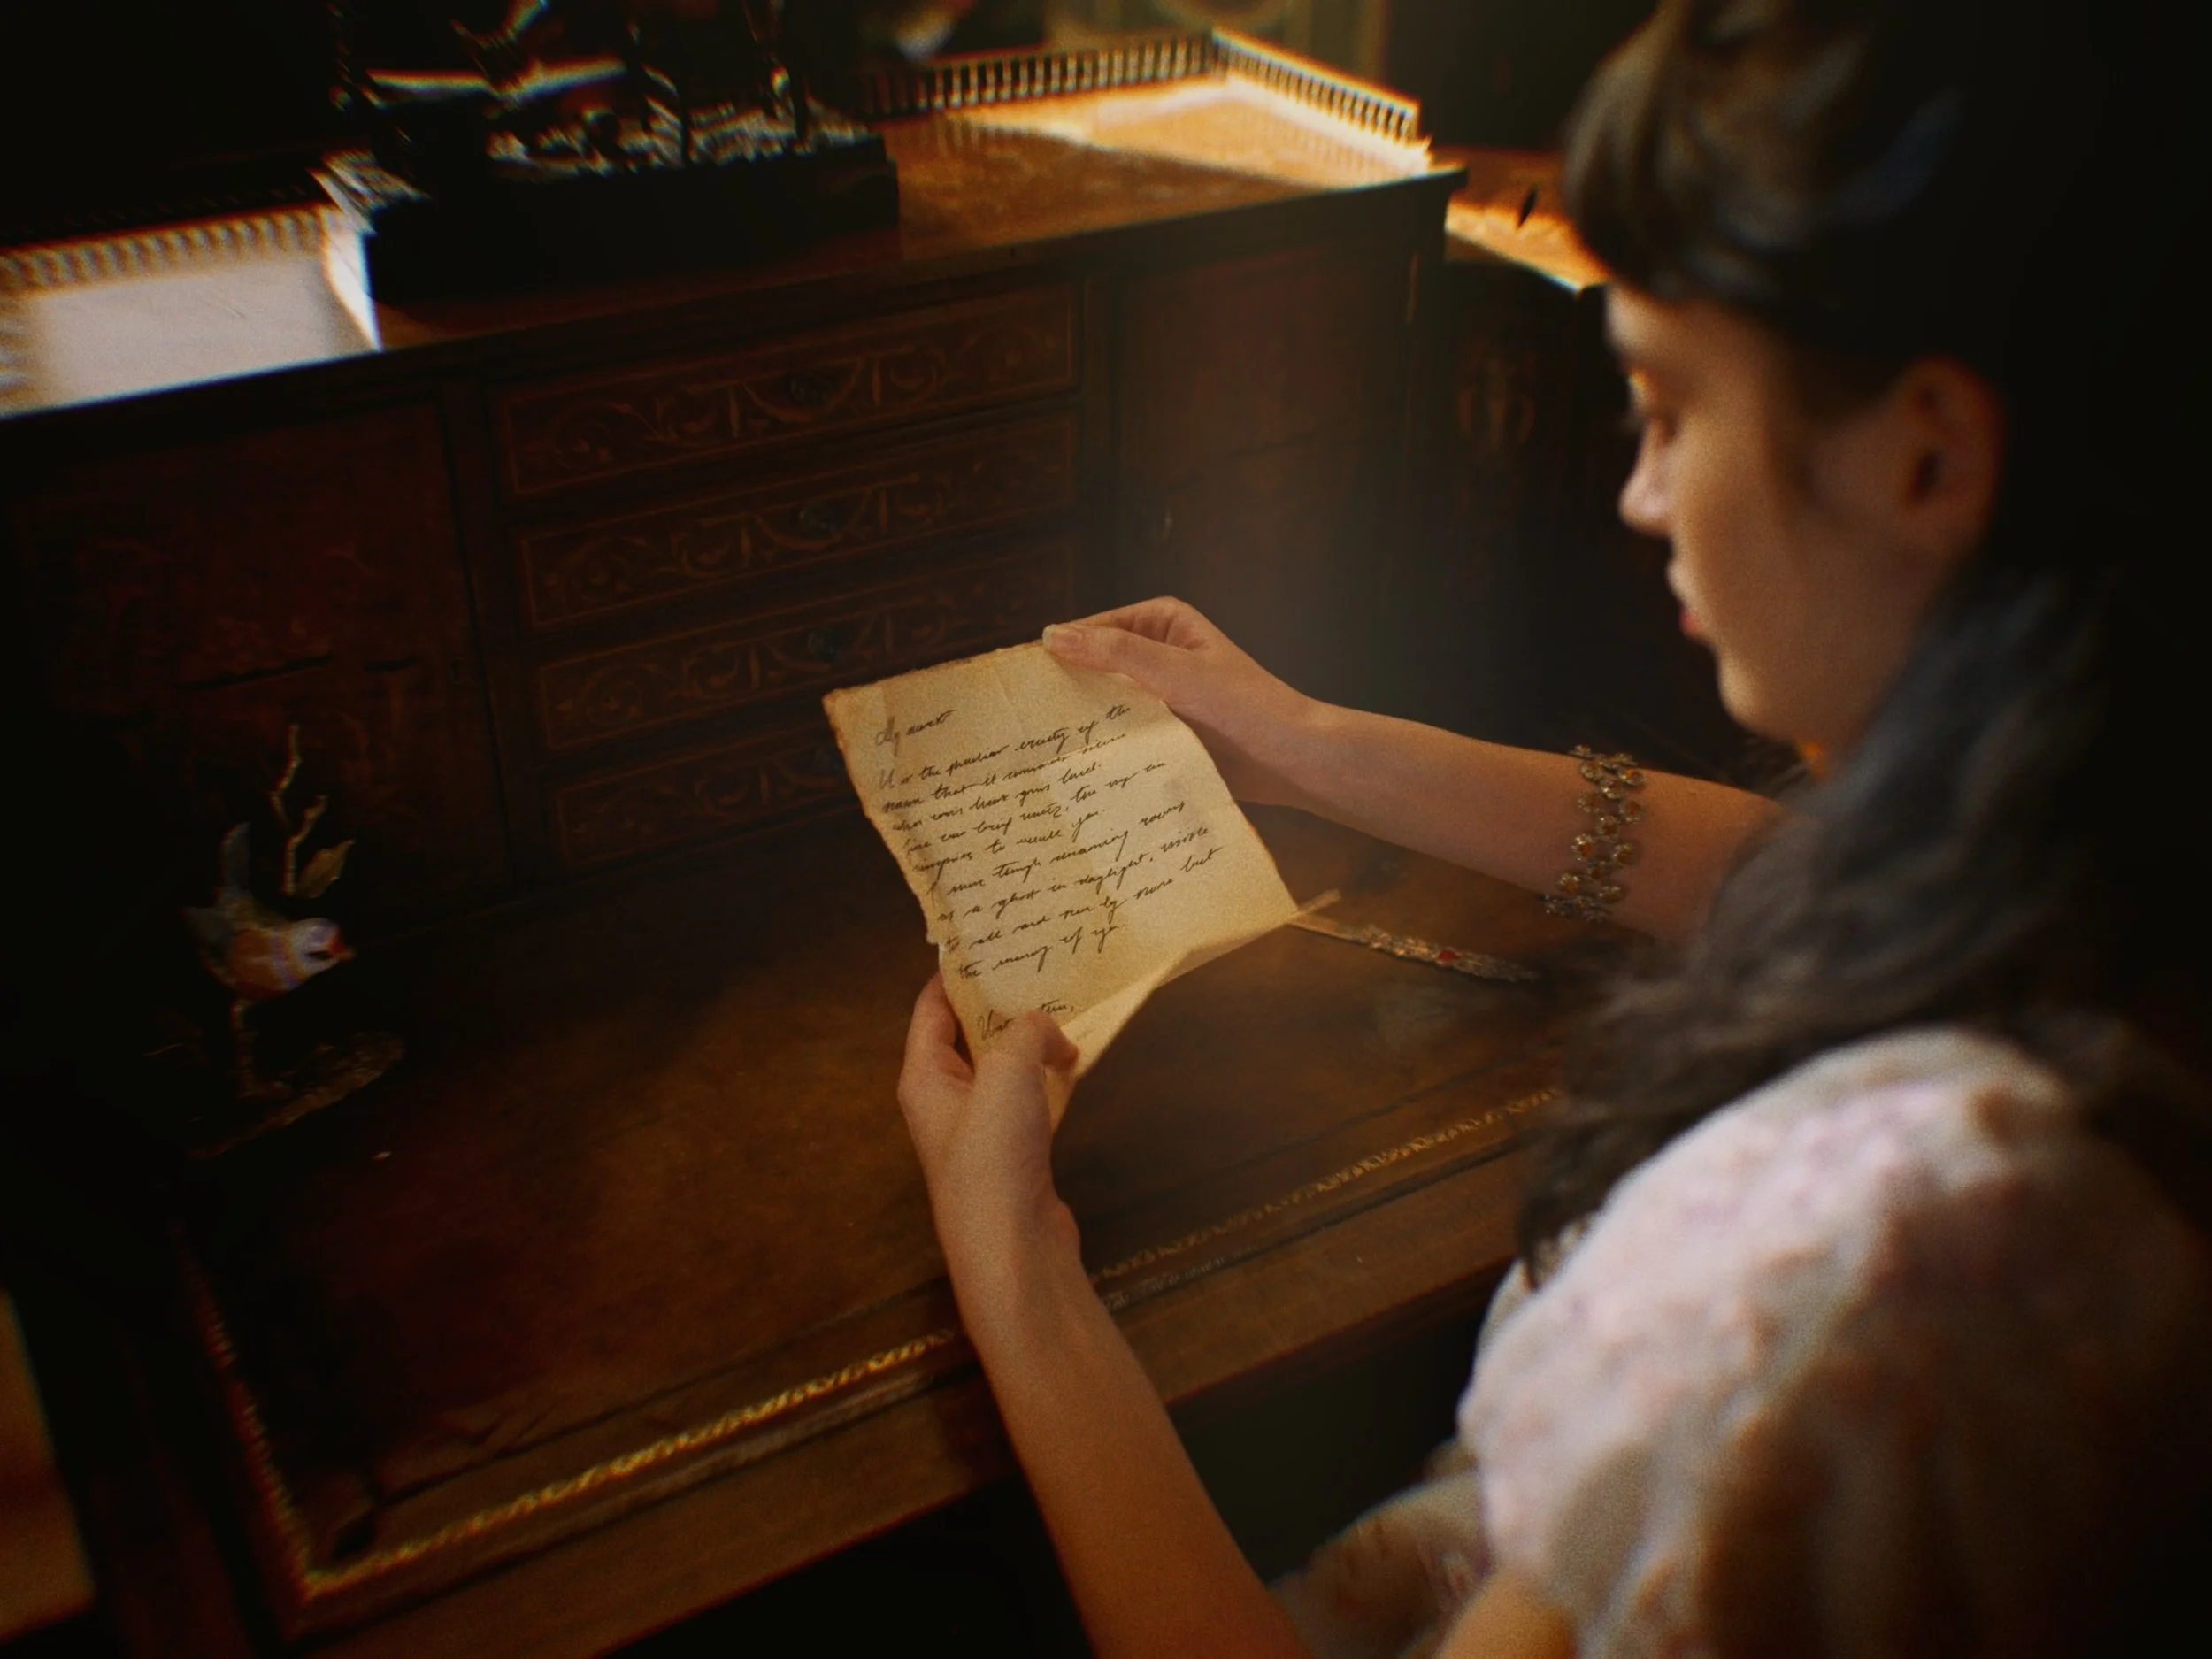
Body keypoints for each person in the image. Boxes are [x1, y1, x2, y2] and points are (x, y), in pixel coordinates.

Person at [893, 0, 2212, 1652]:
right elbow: (1767, 874)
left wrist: (1015, 1258)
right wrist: (1311, 749)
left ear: (1928, 455)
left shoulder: (1842, 1287)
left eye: (1668, 410)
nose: (1638, 494)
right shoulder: (2105, 846)